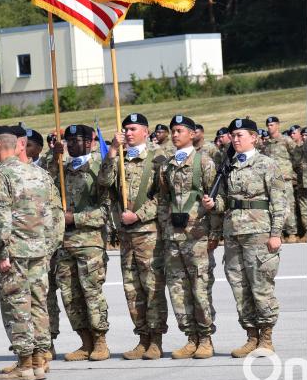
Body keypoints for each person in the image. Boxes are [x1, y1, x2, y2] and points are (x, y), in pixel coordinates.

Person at [0, 126, 63, 380]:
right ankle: (40, 360)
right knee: (39, 305)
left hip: (15, 252)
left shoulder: (0, 174)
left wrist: (2, 253)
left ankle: (25, 364)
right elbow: (53, 215)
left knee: (17, 306)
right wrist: (48, 247)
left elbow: (1, 218)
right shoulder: (39, 173)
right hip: (39, 249)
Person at [99, 113, 169, 360]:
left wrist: (138, 215)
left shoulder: (158, 158)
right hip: (126, 234)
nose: (128, 133)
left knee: (152, 287)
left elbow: (164, 197)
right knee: (132, 289)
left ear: (145, 132)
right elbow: (104, 182)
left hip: (148, 232)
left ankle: (156, 340)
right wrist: (112, 152)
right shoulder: (119, 158)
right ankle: (142, 338)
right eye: (125, 129)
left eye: (133, 129)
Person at [156, 115, 224, 360]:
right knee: (178, 289)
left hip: (197, 237)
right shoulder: (167, 165)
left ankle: (205, 338)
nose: (175, 135)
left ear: (193, 134)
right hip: (173, 237)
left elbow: (218, 199)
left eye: (180, 131)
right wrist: (165, 228)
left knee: (200, 288)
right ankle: (190, 337)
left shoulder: (204, 162)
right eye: (173, 131)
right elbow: (163, 200)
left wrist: (214, 233)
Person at [219, 118, 286, 358]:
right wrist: (213, 203)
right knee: (239, 287)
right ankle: (251, 336)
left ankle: (266, 338)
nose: (235, 139)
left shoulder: (267, 164)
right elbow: (224, 201)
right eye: (233, 135)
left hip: (259, 233)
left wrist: (276, 234)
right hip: (233, 234)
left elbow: (280, 202)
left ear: (254, 138)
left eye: (240, 135)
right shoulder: (228, 165)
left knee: (261, 285)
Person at [49, 124, 111, 362]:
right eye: (69, 141)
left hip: (89, 242)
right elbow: (48, 190)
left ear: (89, 142)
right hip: (64, 243)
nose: (72, 144)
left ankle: (100, 341)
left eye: (77, 140)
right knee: (70, 295)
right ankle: (85, 341)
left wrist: (74, 218)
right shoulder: (62, 169)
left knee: (92, 293)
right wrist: (54, 157)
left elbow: (105, 212)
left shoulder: (99, 169)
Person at [13, 126, 65, 364]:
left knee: (44, 297)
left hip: (44, 244)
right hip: (24, 245)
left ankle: (46, 342)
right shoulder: (12, 172)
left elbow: (54, 210)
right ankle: (35, 346)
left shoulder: (44, 170)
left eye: (30, 145)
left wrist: (56, 153)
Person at [263, 116, 299, 241]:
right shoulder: (266, 143)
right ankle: (279, 233)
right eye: (268, 125)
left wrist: (291, 172)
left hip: (285, 179)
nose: (269, 127)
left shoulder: (286, 140)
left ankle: (292, 233)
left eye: (272, 125)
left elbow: (297, 157)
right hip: (272, 180)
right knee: (274, 206)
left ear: (278, 125)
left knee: (289, 205)